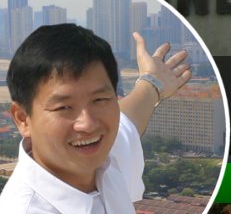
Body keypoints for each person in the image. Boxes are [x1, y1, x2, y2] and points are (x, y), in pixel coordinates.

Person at [0, 24, 192, 213]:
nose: (88, 124)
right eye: (64, 107)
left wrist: (152, 82)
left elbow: (128, 120)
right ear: (23, 118)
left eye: (99, 99)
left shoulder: (102, 161)